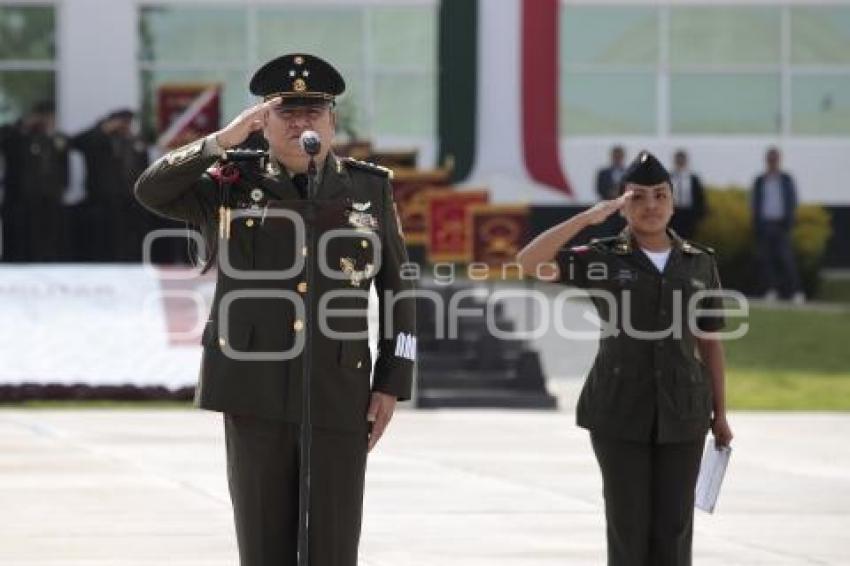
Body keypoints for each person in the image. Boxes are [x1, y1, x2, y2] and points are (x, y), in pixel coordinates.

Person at [134, 53, 417, 566]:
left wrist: (392, 381)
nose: (301, 123)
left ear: (333, 121)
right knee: (263, 543)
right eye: (286, 112)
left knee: (333, 543)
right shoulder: (229, 185)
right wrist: (221, 140)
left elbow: (398, 291)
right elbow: (150, 190)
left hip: (338, 386)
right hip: (252, 385)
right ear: (262, 121)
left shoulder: (368, 189)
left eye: (314, 112)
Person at [517, 151, 733, 566]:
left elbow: (710, 342)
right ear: (620, 204)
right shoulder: (604, 257)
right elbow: (528, 262)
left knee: (673, 530)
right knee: (627, 527)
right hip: (618, 409)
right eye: (637, 197)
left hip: (683, 410)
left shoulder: (699, 262)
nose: (650, 205)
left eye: (660, 195)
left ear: (673, 201)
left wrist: (719, 414)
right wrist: (585, 219)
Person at [71, 109, 150, 261]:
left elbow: (143, 166)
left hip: (131, 196)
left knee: (131, 234)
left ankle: (131, 260)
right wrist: (102, 129)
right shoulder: (99, 139)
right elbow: (76, 142)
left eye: (129, 122)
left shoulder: (136, 141)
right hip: (103, 197)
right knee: (106, 235)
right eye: (123, 122)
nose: (126, 126)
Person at [0, 100, 69, 262]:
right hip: (22, 197)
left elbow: (63, 164)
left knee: (49, 233)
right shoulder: (19, 137)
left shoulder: (56, 139)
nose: (46, 122)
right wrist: (22, 125)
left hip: (50, 195)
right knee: (24, 234)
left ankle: (47, 259)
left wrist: (63, 187)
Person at [751, 147, 803, 303]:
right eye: (770, 159)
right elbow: (755, 203)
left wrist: (790, 221)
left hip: (782, 224)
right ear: (766, 160)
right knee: (767, 260)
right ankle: (771, 290)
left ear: (779, 160)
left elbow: (792, 201)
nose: (772, 162)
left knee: (786, 259)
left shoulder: (786, 179)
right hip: (765, 224)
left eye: (775, 159)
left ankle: (795, 291)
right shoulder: (760, 180)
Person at [668, 149, 706, 240]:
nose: (680, 162)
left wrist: (699, 215)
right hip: (673, 214)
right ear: (675, 161)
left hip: (689, 214)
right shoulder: (668, 177)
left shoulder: (693, 178)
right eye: (678, 160)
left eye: (682, 160)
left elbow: (700, 197)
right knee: (672, 240)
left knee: (688, 241)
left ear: (686, 161)